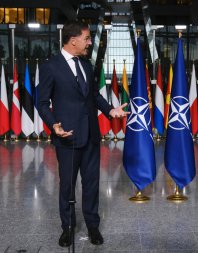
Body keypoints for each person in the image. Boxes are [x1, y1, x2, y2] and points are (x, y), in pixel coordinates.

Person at [38, 20, 128, 247]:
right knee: (67, 185)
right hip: (67, 136)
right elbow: (41, 102)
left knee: (91, 184)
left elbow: (93, 97)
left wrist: (110, 109)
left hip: (91, 137)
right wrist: (53, 125)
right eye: (87, 39)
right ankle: (67, 227)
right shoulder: (51, 66)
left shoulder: (86, 65)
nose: (89, 43)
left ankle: (93, 226)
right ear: (73, 40)